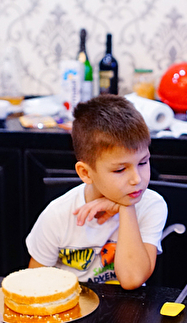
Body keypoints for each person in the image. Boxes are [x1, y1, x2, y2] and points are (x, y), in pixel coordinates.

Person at [26, 95, 167, 289]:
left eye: (143, 163)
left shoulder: (152, 206)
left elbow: (132, 279)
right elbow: (33, 285)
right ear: (86, 173)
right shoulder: (57, 215)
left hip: (128, 306)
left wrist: (125, 209)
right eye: (120, 170)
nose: (137, 179)